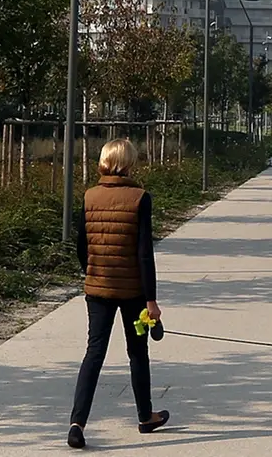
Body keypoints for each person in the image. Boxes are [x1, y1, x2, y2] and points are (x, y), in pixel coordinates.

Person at [69, 138, 168, 446]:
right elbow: (143, 254)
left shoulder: (89, 196)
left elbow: (81, 247)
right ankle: (144, 416)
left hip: (97, 287)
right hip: (133, 290)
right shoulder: (140, 197)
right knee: (137, 353)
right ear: (128, 164)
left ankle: (77, 423)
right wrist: (151, 299)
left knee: (93, 353)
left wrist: (93, 270)